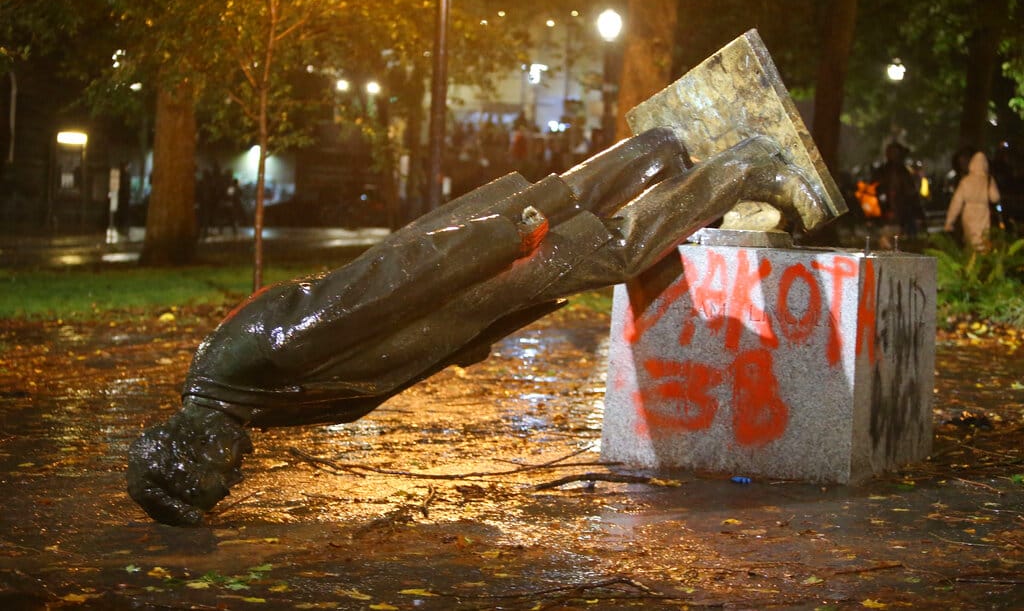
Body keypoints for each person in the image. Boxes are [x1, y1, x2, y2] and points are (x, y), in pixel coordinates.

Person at [127, 127, 832, 526]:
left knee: (611, 248)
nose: (236, 471)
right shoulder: (234, 397)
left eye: (217, 471)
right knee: (569, 201)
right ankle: (660, 153)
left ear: (192, 445)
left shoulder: (254, 366)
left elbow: (380, 288)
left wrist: (496, 240)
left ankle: (740, 166)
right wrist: (463, 338)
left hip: (471, 270)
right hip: (468, 287)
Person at [944, 148, 1001, 252]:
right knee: (983, 238)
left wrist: (949, 222)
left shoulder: (965, 181)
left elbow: (956, 203)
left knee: (970, 238)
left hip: (968, 213)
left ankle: (971, 260)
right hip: (983, 212)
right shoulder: (988, 179)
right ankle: (982, 259)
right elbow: (995, 197)